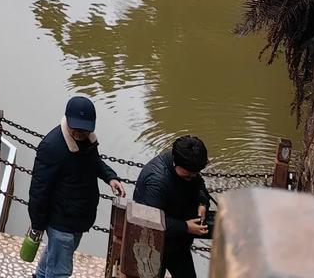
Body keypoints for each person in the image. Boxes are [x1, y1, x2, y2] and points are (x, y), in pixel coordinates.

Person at [28, 96, 126, 278]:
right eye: (77, 128)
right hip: (61, 220)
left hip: (80, 217)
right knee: (60, 271)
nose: (80, 133)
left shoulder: (88, 140)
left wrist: (110, 177)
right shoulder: (52, 147)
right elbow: (39, 189)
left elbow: (94, 162)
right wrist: (37, 225)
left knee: (54, 257)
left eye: (84, 128)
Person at [133, 136, 211, 278]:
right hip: (155, 245)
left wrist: (202, 203)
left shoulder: (188, 166)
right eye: (188, 175)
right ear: (176, 163)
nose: (192, 176)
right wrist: (185, 227)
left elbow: (199, 184)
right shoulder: (156, 182)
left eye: (195, 173)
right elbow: (150, 223)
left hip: (178, 244)